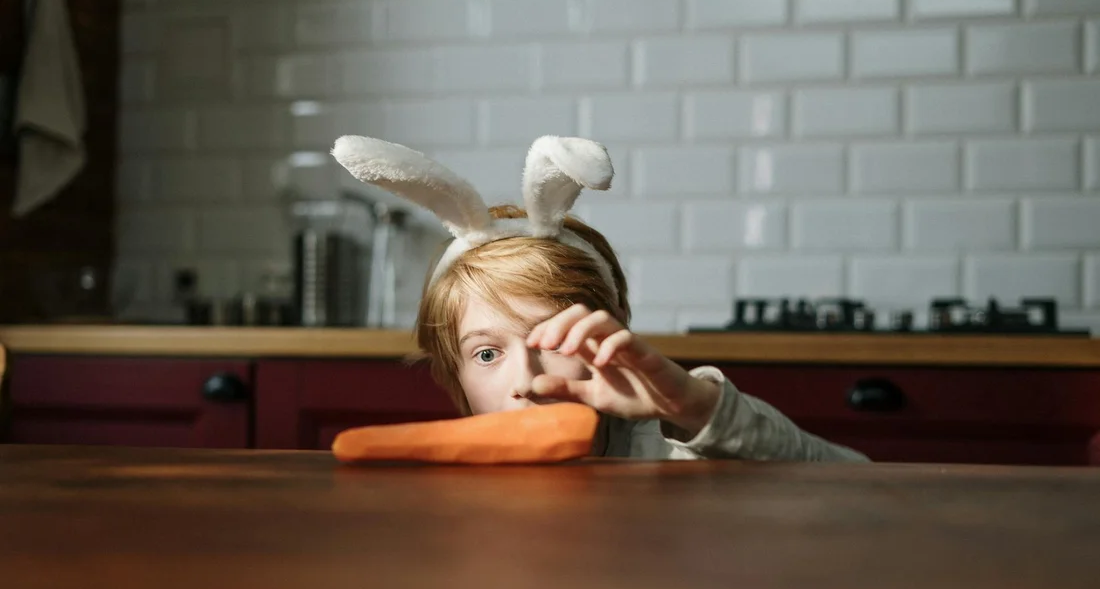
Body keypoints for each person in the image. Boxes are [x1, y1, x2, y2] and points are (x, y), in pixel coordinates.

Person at [332, 134, 869, 463]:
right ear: (454, 373)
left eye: (552, 339)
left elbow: (855, 483)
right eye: (487, 353)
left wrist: (696, 406)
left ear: (611, 333)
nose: (526, 382)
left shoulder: (665, 454)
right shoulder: (444, 485)